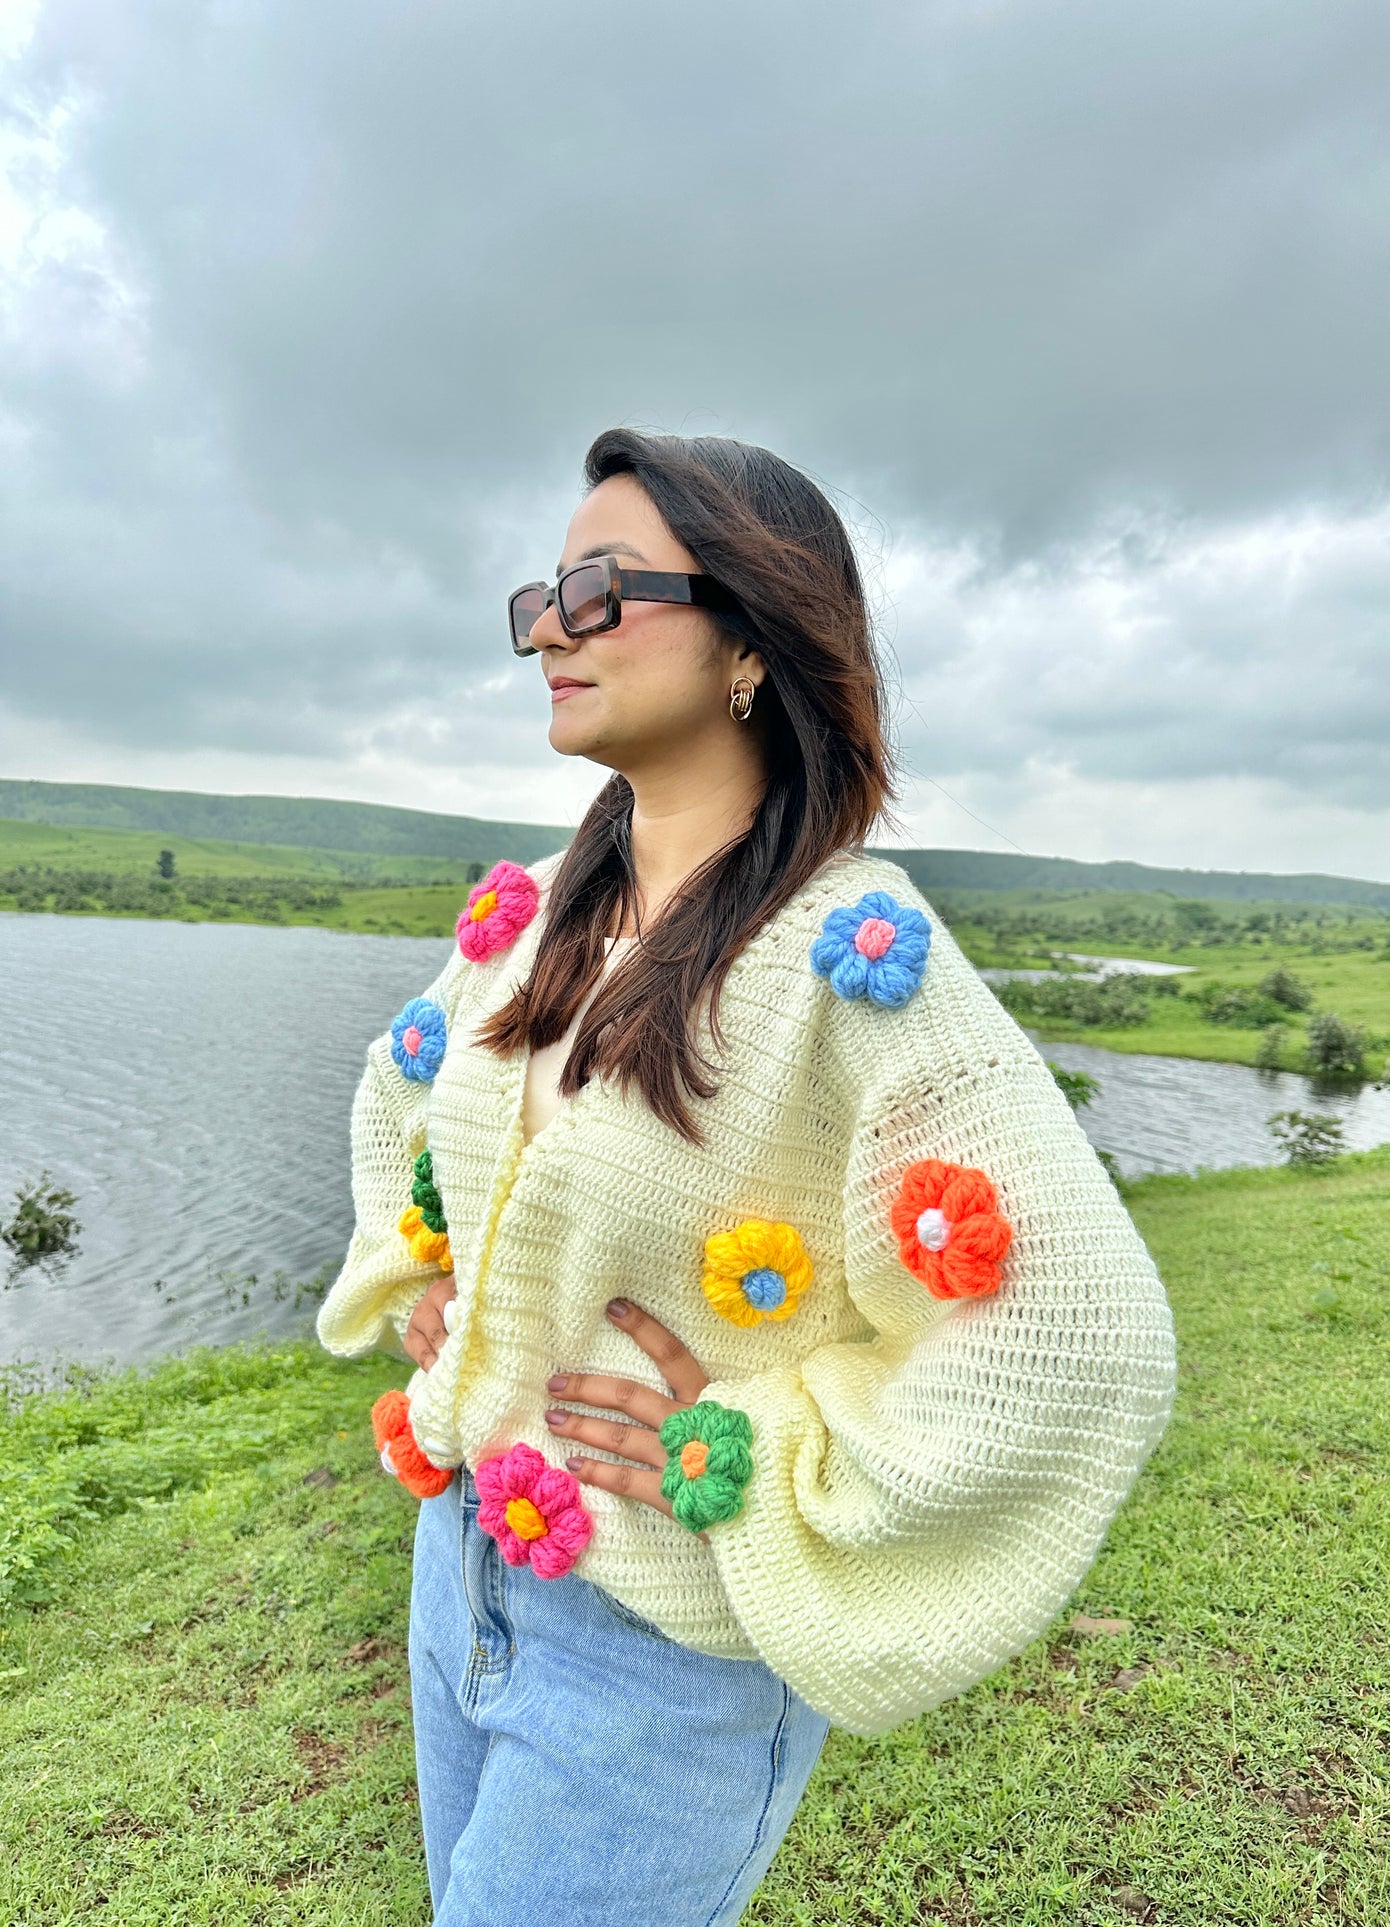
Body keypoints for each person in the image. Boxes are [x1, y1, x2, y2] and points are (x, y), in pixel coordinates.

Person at [315, 428, 1176, 1926]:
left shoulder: (849, 965)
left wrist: (760, 1444)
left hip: (659, 1661)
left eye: (598, 589)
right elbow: (413, 1096)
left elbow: (1077, 1341)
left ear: (750, 641)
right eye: (539, 594)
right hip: (464, 1567)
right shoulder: (541, 922)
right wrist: (430, 1285)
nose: (546, 630)